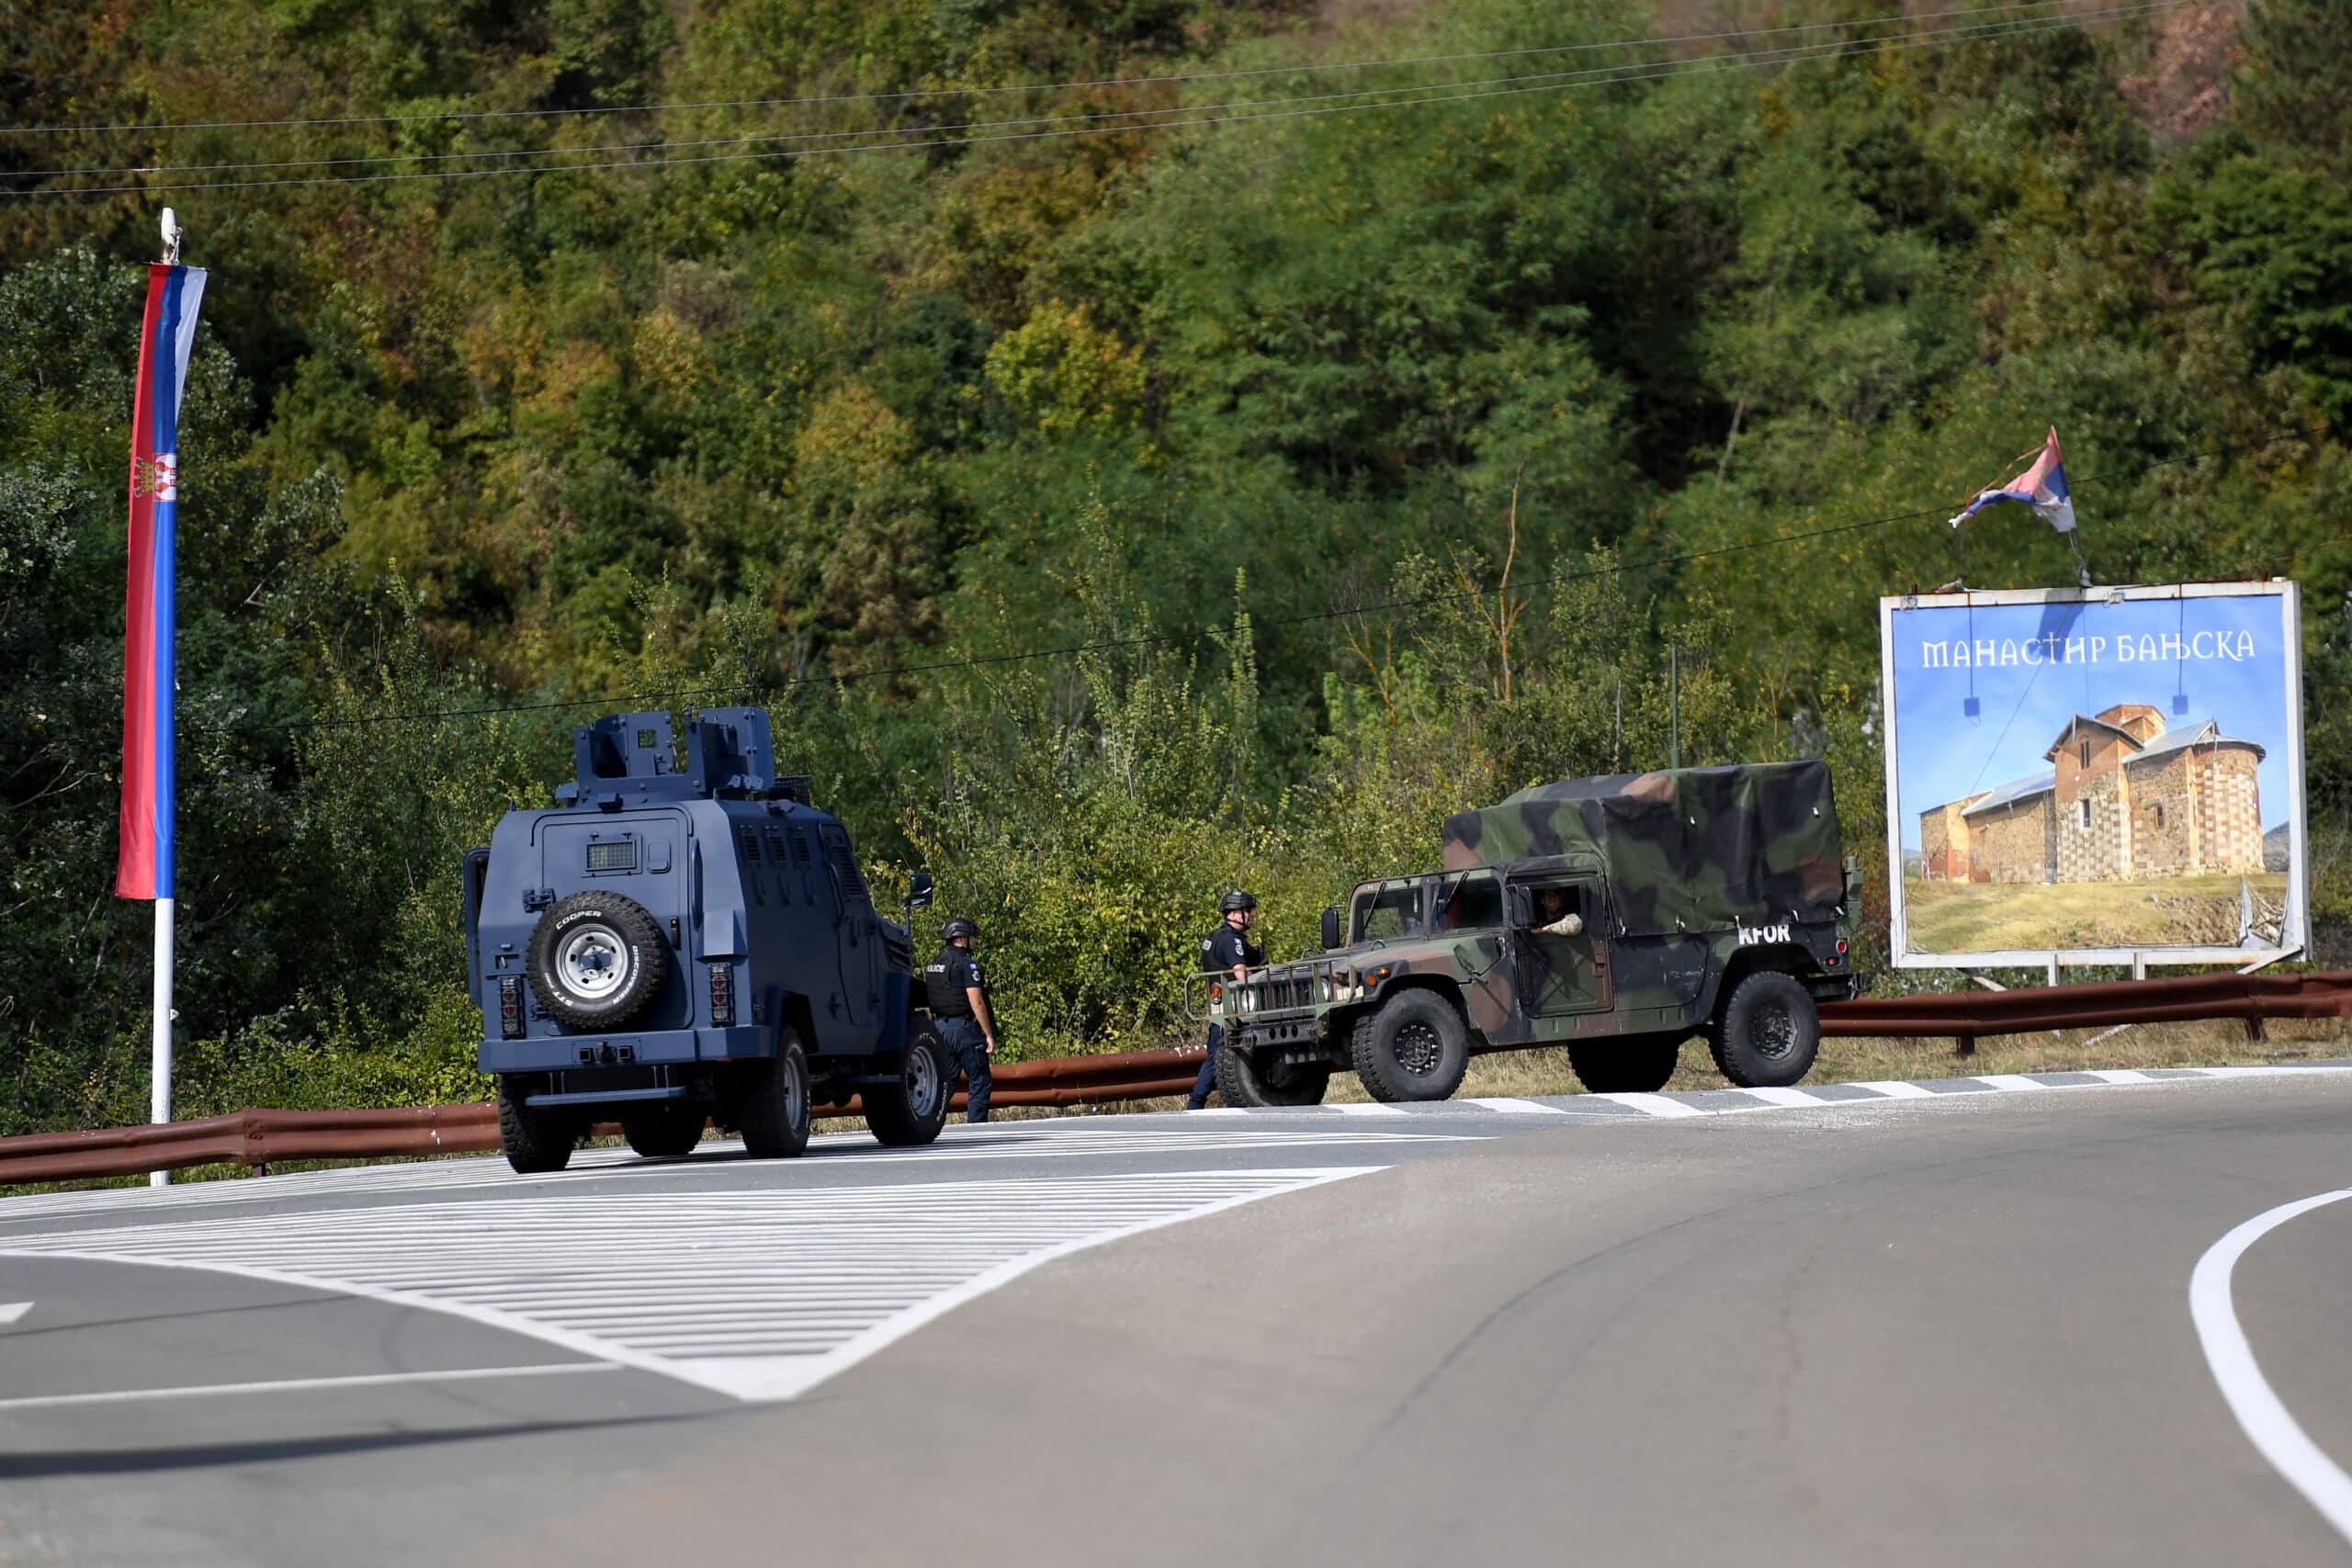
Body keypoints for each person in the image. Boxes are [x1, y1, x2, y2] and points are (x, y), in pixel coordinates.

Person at [1188, 889, 1263, 1111]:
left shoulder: (1215, 937)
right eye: (1247, 910)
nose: (1251, 915)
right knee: (1216, 1057)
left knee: (1216, 1054)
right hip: (1233, 1009)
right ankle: (1195, 1105)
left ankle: (1198, 1104)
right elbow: (1240, 975)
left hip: (1221, 1007)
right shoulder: (1232, 941)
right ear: (1234, 913)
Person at [924, 916, 999, 1124]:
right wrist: (989, 1034)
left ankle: (930, 1123)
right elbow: (977, 1003)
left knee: (945, 1082)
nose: (974, 941)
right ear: (960, 939)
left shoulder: (935, 963)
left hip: (939, 1029)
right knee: (980, 1080)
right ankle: (976, 1129)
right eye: (971, 937)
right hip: (963, 1030)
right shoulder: (967, 964)